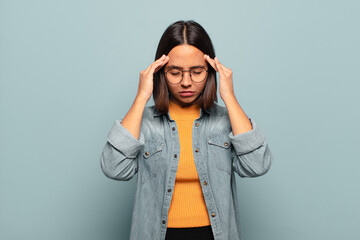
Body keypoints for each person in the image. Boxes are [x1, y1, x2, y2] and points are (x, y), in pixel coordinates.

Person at [100, 20, 273, 240]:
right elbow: (114, 168)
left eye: (197, 71)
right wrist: (141, 96)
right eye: (175, 73)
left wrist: (229, 96)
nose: (186, 82)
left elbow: (257, 165)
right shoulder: (143, 122)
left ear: (211, 71)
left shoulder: (225, 121)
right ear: (161, 73)